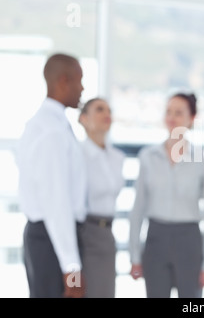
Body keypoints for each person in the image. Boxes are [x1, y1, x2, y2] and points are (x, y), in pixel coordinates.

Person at [129, 92, 204, 298]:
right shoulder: (148, 157)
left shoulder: (202, 160)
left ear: (191, 118)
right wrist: (134, 255)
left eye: (178, 112)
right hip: (155, 241)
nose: (171, 117)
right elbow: (137, 210)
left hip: (189, 241)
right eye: (168, 111)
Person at [16, 53, 86, 298]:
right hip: (52, 239)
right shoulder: (51, 131)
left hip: (47, 237)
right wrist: (72, 269)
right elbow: (56, 202)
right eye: (79, 80)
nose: (82, 88)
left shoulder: (44, 124)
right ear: (63, 81)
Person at [78, 98, 125, 298]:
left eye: (109, 110)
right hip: (83, 233)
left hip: (107, 235)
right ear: (83, 119)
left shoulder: (117, 157)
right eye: (99, 109)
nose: (106, 114)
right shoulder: (77, 154)